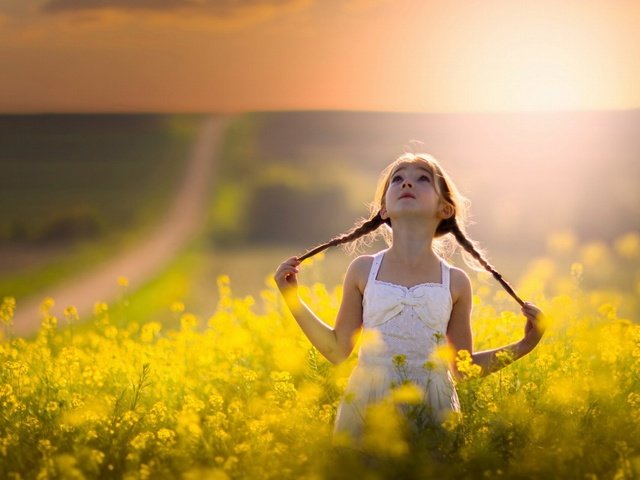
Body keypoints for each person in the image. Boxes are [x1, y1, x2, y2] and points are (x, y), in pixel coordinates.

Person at [273, 152, 546, 454]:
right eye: (397, 179)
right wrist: (292, 298)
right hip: (368, 406)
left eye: (422, 179)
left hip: (433, 407)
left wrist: (524, 346)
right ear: (384, 210)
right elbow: (337, 350)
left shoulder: (455, 282)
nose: (407, 183)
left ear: (445, 208)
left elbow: (463, 368)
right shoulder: (363, 270)